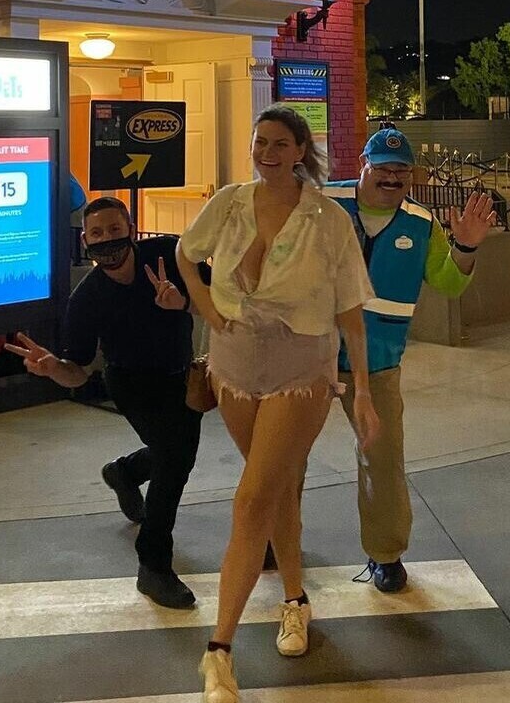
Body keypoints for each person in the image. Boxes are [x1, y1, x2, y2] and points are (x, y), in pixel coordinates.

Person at [176, 104, 380, 703]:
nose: (266, 153)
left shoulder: (328, 219)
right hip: (233, 364)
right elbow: (187, 253)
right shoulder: (230, 203)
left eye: (279, 144)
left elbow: (350, 309)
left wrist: (363, 392)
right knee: (277, 488)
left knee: (252, 498)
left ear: (300, 151)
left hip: (301, 366)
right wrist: (205, 306)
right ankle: (295, 598)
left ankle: (218, 651)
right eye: (259, 142)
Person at [6, 196, 204, 609]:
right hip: (132, 384)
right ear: (86, 240)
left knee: (174, 452)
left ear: (130, 229)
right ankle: (153, 566)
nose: (107, 239)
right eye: (96, 233)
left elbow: (218, 297)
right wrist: (52, 368)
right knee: (174, 461)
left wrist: (183, 302)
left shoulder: (168, 254)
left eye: (115, 229)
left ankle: (125, 472)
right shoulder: (87, 299)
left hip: (182, 377)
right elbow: (77, 372)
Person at [325, 128, 497, 592]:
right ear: (362, 164)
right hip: (309, 354)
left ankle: (385, 554)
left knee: (382, 462)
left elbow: (449, 283)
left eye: (401, 170)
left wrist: (466, 246)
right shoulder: (323, 202)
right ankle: (271, 538)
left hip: (378, 362)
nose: (392, 176)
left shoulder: (421, 223)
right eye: (382, 167)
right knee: (284, 455)